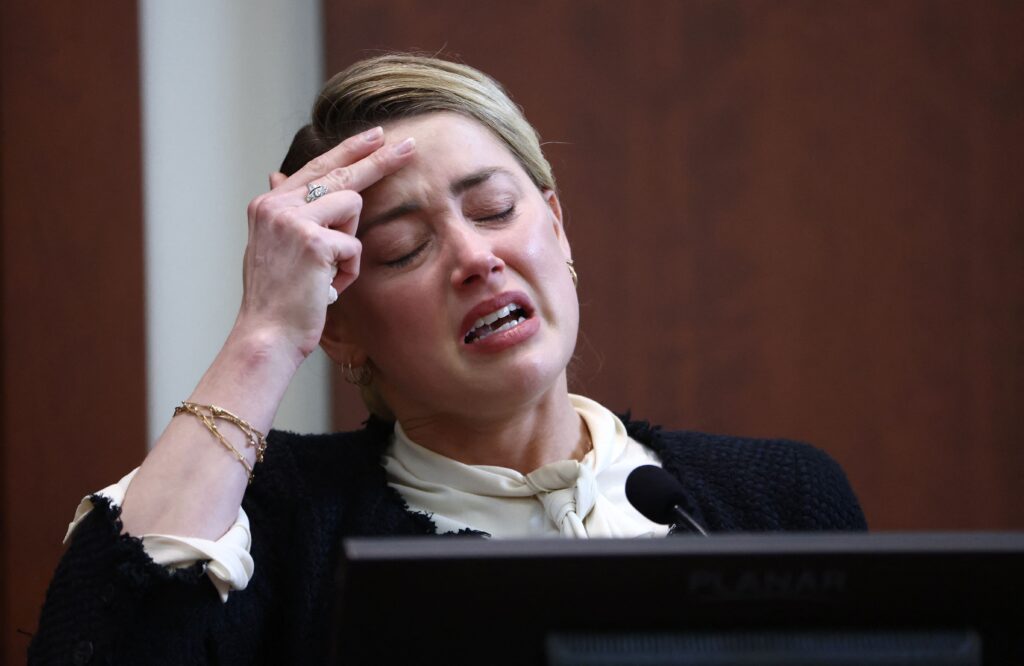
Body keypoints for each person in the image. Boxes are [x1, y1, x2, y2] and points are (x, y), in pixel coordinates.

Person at [29, 53, 866, 664]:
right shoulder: (278, 520)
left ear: (558, 228)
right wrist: (265, 332)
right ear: (341, 329)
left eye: (495, 209)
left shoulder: (779, 500)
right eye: (402, 249)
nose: (475, 257)